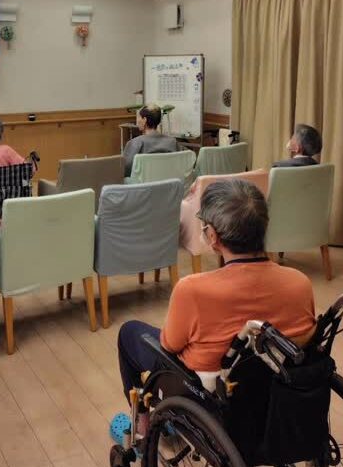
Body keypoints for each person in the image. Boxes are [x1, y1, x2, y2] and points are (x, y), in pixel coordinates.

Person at [117, 179, 316, 402]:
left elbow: (169, 345)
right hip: (282, 388)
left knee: (129, 332)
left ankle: (141, 419)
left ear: (212, 236)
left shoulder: (192, 289)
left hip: (209, 392)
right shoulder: (300, 283)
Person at [122, 104, 178, 177]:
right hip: (167, 181)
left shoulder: (135, 143)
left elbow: (125, 169)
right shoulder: (172, 142)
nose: (137, 121)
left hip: (143, 183)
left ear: (144, 120)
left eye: (139, 117)